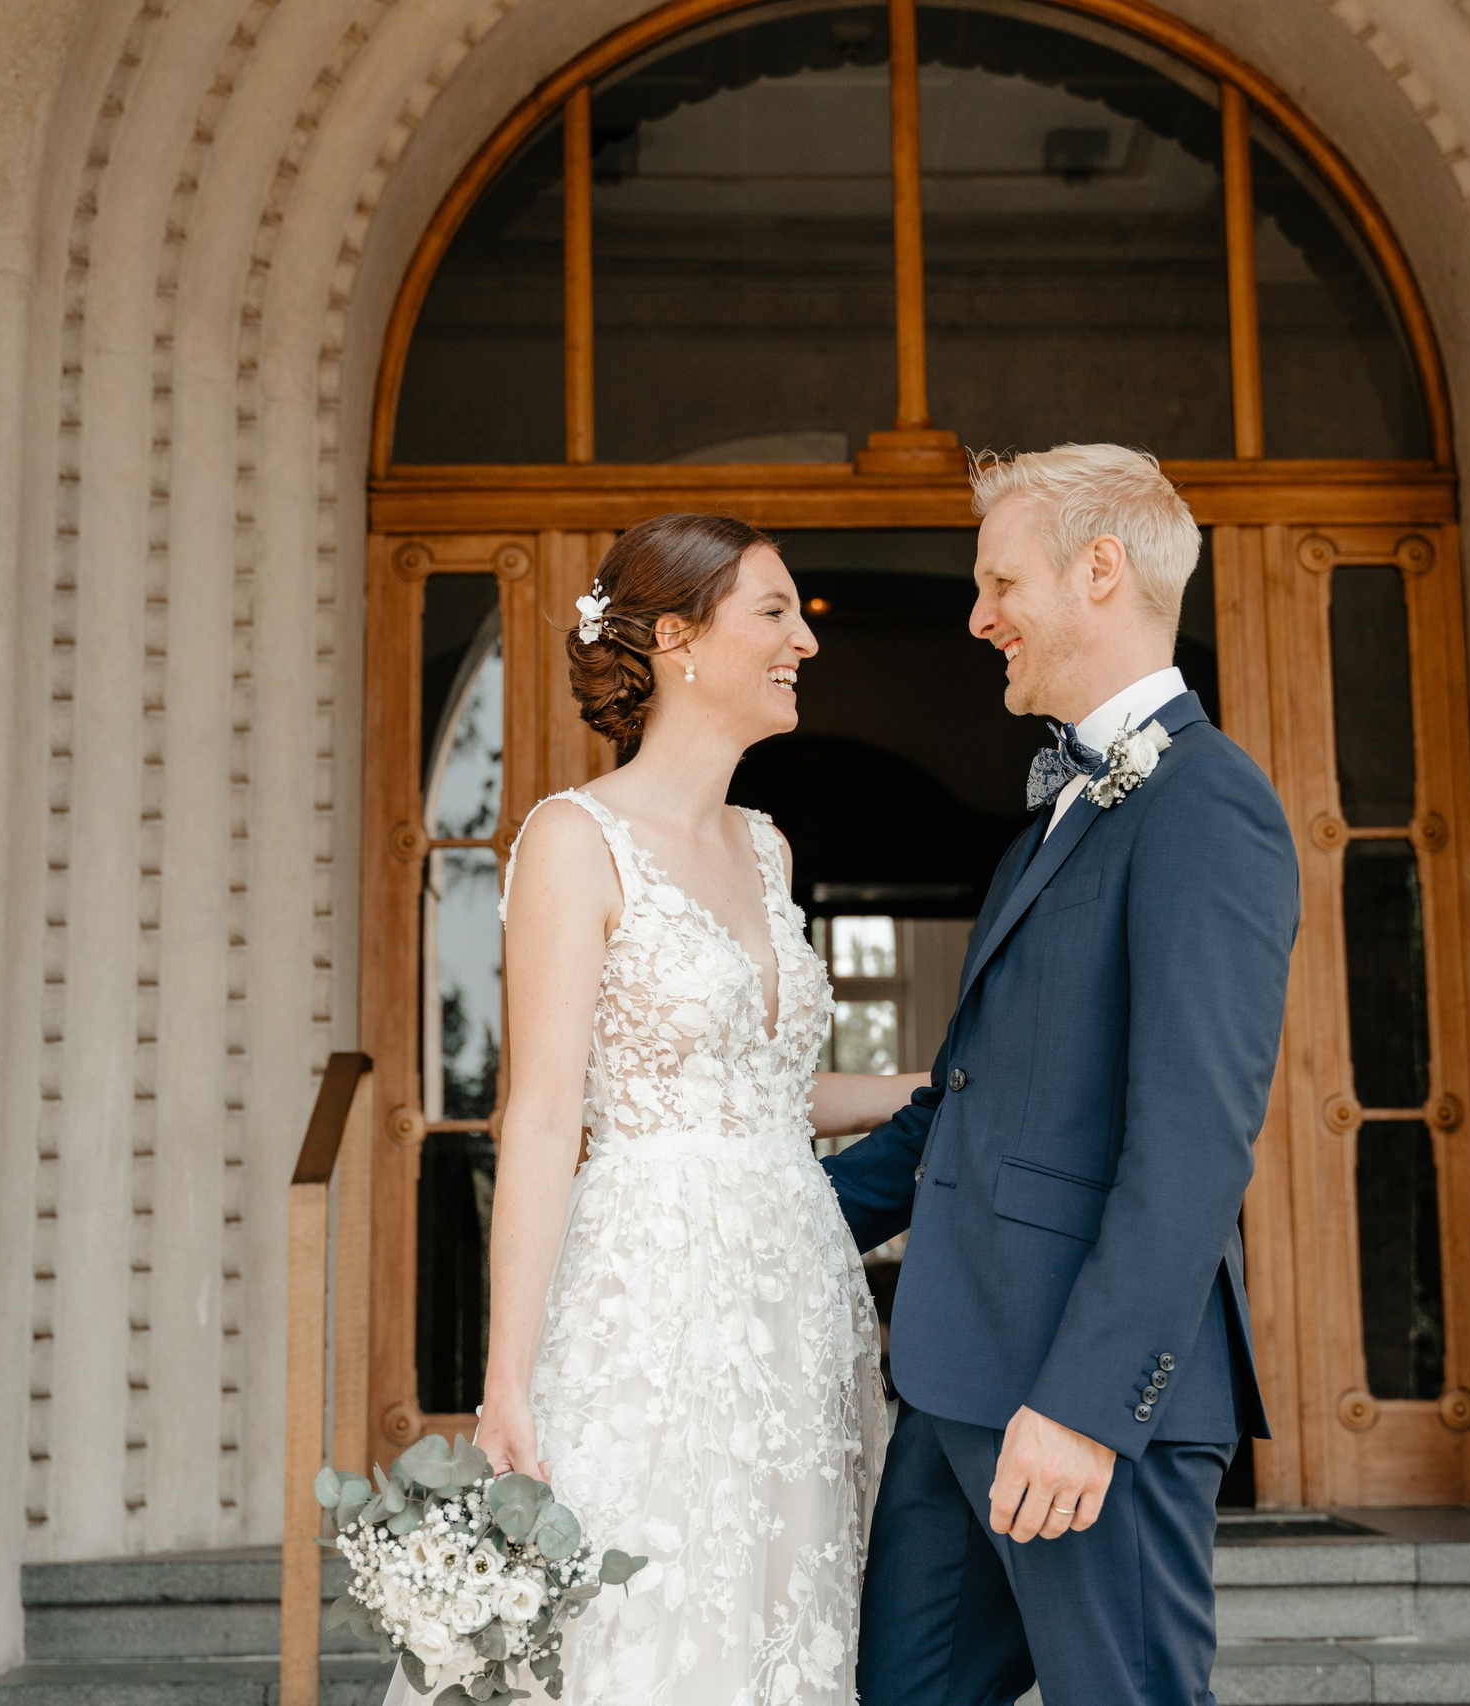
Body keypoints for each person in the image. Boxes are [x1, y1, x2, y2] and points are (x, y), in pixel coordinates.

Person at [826, 444, 1298, 1706]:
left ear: (1100, 569)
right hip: (953, 1382)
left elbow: (1191, 1140)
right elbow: (965, 1101)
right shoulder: (1052, 809)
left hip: (1085, 1405)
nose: (977, 617)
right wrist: (762, 1212)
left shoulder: (1208, 804)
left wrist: (1087, 1403)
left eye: (997, 581)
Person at [475, 512, 924, 1705]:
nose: (803, 643)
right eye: (773, 613)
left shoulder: (765, 846)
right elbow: (540, 1114)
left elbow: (769, 1088)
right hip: (655, 1304)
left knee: (797, 1610)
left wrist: (937, 1091)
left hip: (801, 1297)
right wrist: (506, 1379)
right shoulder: (575, 841)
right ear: (675, 636)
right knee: (657, 1617)